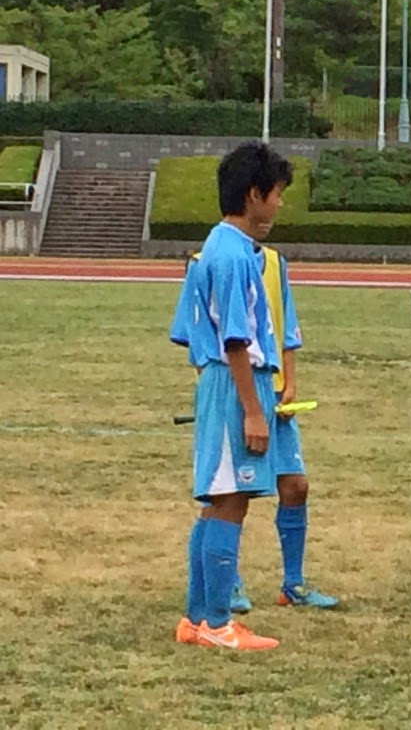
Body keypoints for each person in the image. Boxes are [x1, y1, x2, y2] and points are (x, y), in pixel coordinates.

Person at [169, 142, 292, 650]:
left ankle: (197, 618)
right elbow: (235, 340)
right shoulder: (232, 255)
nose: (279, 205)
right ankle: (218, 623)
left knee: (216, 500)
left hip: (221, 381)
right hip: (234, 382)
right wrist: (253, 410)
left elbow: (187, 331)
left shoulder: (221, 249)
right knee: (231, 501)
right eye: (277, 194)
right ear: (253, 194)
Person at [174, 243, 340, 614]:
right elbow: (202, 339)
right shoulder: (207, 261)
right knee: (227, 496)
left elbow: (286, 330)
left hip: (273, 394)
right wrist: (231, 400)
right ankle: (223, 587)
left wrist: (289, 384)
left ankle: (292, 584)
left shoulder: (273, 262)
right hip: (239, 396)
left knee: (295, 485)